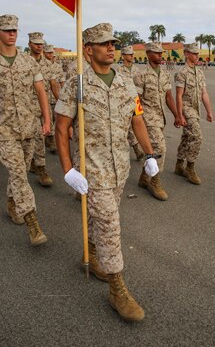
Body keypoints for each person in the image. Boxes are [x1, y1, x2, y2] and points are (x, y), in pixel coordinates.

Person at [55, 23, 159, 322]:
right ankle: (117, 288)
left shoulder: (126, 81)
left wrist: (149, 154)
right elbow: (62, 130)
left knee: (101, 219)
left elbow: (136, 119)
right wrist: (67, 171)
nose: (111, 48)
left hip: (120, 168)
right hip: (93, 171)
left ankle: (92, 251)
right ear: (88, 50)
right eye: (103, 44)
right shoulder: (77, 84)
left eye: (113, 43)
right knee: (111, 227)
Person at [0, 14, 50, 245]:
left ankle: (12, 204)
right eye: (7, 30)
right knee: (20, 173)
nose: (12, 34)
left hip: (30, 127)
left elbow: (41, 92)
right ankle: (33, 224)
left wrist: (47, 121)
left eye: (14, 30)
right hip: (4, 131)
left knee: (19, 171)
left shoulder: (28, 62)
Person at [133, 42, 182, 201]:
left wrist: (177, 115)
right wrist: (138, 118)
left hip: (161, 118)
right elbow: (137, 100)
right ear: (148, 54)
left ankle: (144, 177)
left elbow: (168, 97)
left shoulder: (165, 74)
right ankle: (154, 181)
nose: (160, 55)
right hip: (147, 118)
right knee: (159, 148)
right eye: (156, 53)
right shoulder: (141, 75)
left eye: (161, 53)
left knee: (153, 148)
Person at [174, 43, 214, 184]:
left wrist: (209, 111)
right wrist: (179, 115)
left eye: (198, 54)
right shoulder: (182, 73)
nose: (197, 56)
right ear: (186, 54)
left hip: (196, 110)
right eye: (194, 53)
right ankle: (190, 167)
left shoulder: (200, 72)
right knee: (197, 137)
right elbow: (178, 96)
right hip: (186, 108)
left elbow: (204, 93)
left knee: (187, 137)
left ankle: (179, 164)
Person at [28, 32, 59, 186]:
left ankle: (41, 169)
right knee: (26, 140)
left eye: (41, 44)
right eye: (36, 43)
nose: (39, 46)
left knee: (40, 138)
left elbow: (53, 84)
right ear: (29, 44)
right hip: (25, 108)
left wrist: (61, 101)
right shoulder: (24, 62)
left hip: (43, 106)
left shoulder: (48, 65)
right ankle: (32, 162)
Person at [117, 45, 144, 160]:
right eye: (129, 54)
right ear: (123, 56)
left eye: (133, 54)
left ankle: (138, 146)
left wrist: (139, 100)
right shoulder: (118, 71)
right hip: (123, 101)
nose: (132, 56)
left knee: (137, 124)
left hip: (136, 100)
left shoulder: (137, 70)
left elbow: (140, 86)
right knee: (126, 125)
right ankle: (136, 147)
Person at [43, 44, 66, 153]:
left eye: (52, 52)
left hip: (56, 96)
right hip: (46, 97)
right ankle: (50, 142)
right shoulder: (41, 65)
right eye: (48, 52)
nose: (50, 54)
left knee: (56, 120)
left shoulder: (57, 66)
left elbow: (61, 80)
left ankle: (52, 140)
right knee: (47, 120)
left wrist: (63, 95)